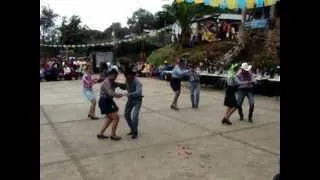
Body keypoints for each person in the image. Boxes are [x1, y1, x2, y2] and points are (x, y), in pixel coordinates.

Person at [97, 69, 123, 141]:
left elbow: (117, 85)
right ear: (110, 75)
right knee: (116, 118)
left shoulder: (111, 81)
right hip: (104, 101)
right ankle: (113, 135)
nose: (115, 77)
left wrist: (122, 85)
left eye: (116, 76)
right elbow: (110, 93)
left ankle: (101, 133)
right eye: (115, 75)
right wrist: (118, 95)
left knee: (110, 118)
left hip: (108, 101)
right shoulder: (107, 82)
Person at [118, 68, 143, 139]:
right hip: (130, 100)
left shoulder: (137, 82)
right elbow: (126, 87)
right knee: (126, 115)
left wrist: (130, 94)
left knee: (135, 116)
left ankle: (135, 132)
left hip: (137, 100)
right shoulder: (127, 80)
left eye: (128, 77)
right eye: (125, 76)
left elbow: (139, 91)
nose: (126, 78)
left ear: (132, 75)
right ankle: (133, 129)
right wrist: (119, 85)